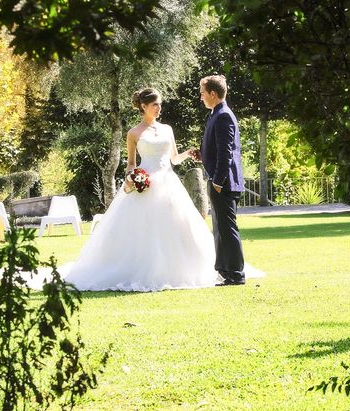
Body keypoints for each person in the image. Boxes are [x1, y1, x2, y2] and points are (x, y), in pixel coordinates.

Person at [59, 88, 219, 291]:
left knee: (178, 225)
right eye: (155, 105)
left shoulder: (167, 129)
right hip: (146, 183)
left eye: (160, 104)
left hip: (168, 182)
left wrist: (187, 153)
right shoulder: (133, 133)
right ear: (144, 107)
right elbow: (131, 164)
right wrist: (131, 178)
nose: (159, 108)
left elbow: (174, 159)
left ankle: (179, 269)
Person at [195, 75, 246, 286]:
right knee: (220, 229)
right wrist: (202, 154)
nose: (201, 97)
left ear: (213, 94)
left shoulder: (223, 115)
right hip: (220, 181)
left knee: (227, 228)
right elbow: (218, 148)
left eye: (202, 93)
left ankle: (235, 273)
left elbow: (227, 152)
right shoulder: (217, 113)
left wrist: (217, 181)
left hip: (224, 183)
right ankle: (225, 271)